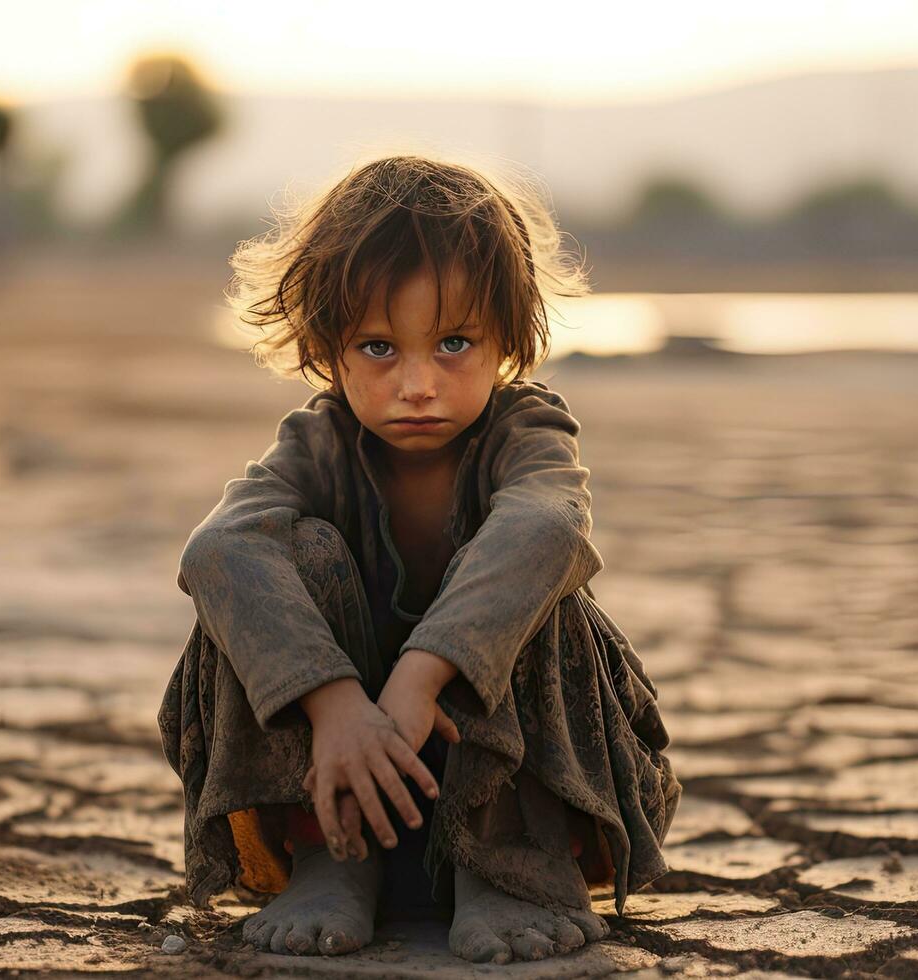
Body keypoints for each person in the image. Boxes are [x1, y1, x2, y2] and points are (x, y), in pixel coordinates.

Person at [158, 154, 679, 965]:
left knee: (529, 568)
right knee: (289, 555)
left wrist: (421, 674)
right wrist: (335, 706)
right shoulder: (319, 443)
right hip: (339, 779)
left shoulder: (525, 434)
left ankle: (509, 868)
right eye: (377, 347)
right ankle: (333, 857)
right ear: (325, 349)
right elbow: (218, 548)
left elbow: (548, 527)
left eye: (453, 343)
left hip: (519, 795)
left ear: (510, 341)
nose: (417, 384)